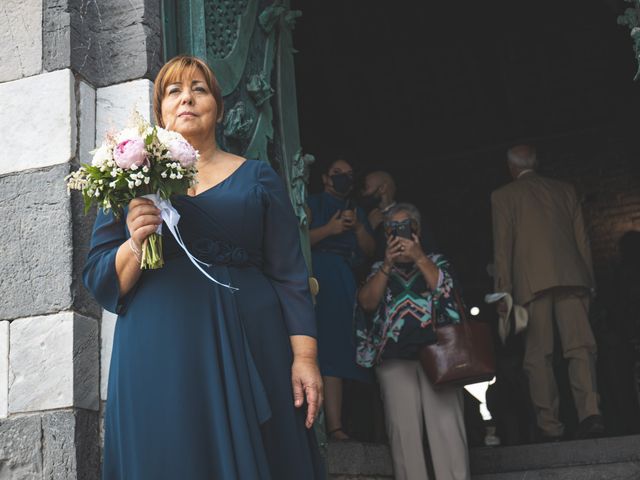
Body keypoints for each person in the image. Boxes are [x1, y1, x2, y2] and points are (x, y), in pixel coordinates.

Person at [83, 55, 324, 479]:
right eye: (174, 90)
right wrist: (135, 243)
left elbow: (289, 273)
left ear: (217, 106)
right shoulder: (129, 178)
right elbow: (101, 276)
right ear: (160, 110)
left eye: (199, 88)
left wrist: (305, 356)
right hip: (160, 343)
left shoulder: (259, 177)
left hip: (252, 336)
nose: (187, 98)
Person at [491, 144, 603, 441]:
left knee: (538, 356)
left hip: (532, 284)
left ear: (510, 167)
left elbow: (503, 248)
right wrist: (589, 282)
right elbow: (583, 240)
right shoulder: (565, 189)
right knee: (581, 348)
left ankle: (550, 425)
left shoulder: (503, 196)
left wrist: (503, 292)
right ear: (536, 162)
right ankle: (591, 412)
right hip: (572, 277)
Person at [356, 203, 470, 480]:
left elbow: (448, 294)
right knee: (403, 435)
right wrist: (386, 264)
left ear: (416, 230)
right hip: (395, 359)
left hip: (440, 354)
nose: (397, 234)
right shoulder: (378, 268)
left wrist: (419, 257)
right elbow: (367, 303)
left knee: (447, 430)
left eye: (404, 227)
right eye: (391, 229)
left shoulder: (437, 262)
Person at [308, 158, 375, 440]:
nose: (344, 178)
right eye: (337, 174)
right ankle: (323, 426)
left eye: (349, 174)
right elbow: (296, 240)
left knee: (339, 349)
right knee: (320, 348)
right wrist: (330, 230)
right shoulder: (311, 203)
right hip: (318, 276)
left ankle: (337, 425)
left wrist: (359, 228)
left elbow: (371, 252)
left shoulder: (357, 211)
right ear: (325, 178)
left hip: (344, 280)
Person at [361, 170, 437, 261]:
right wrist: (369, 228)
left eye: (367, 187)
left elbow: (429, 250)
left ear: (382, 188)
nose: (363, 193)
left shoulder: (411, 214)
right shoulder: (364, 217)